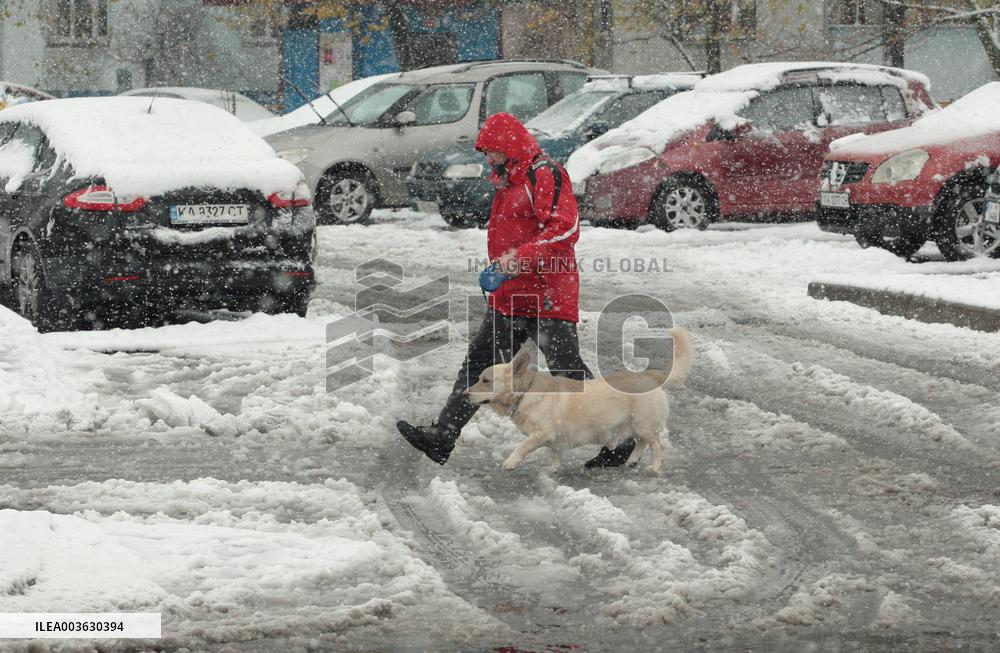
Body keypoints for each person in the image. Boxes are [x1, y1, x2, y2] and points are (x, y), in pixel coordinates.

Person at [396, 112, 636, 468]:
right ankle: (442, 436)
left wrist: (513, 262)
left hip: (548, 294)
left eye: (491, 151)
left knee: (567, 372)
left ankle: (622, 439)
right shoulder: (508, 180)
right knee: (479, 365)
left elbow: (563, 230)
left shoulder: (544, 174)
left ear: (509, 147)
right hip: (511, 297)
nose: (487, 159)